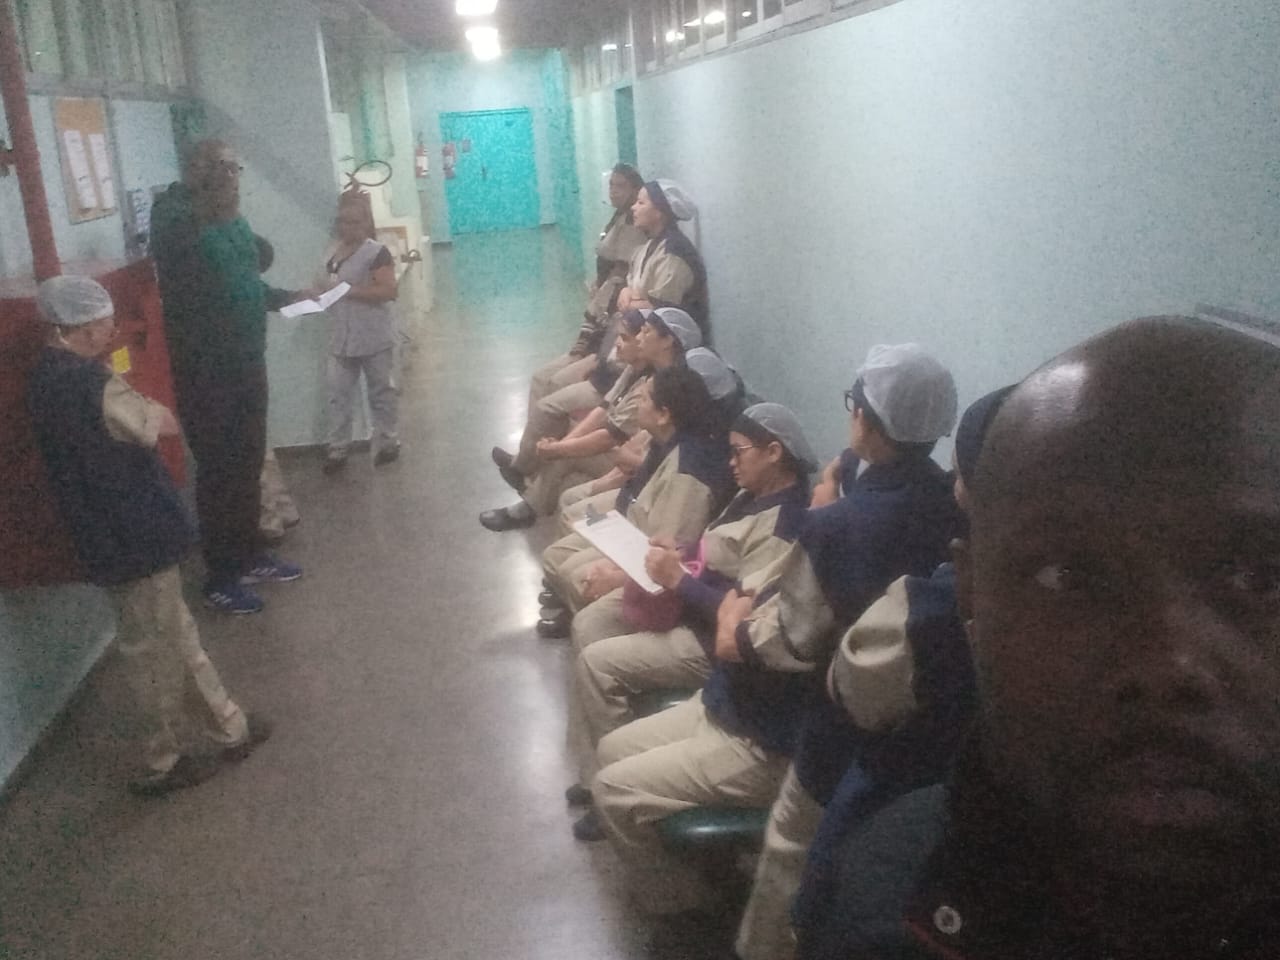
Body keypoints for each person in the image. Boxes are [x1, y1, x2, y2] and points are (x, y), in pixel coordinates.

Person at [815, 317, 1280, 960]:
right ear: (971, 597)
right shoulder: (888, 907)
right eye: (1065, 576)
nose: (1165, 664)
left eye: (1260, 578)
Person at [588, 344, 961, 918]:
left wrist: (733, 610)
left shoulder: (834, 526)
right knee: (611, 750)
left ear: (865, 419)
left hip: (776, 730)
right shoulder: (942, 505)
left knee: (613, 788)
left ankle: (684, 911)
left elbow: (747, 642)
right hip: (758, 704)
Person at [739, 388, 1010, 960]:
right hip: (970, 797)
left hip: (861, 769)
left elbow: (843, 679)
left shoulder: (927, 598)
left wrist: (819, 517)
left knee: (794, 858)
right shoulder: (941, 509)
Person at [24, 276, 271, 796]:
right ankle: (162, 761)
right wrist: (151, 407)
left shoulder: (42, 377)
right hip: (134, 532)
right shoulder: (91, 382)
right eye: (105, 323)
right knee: (152, 651)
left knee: (176, 634)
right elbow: (159, 424)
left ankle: (230, 726)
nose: (112, 330)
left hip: (104, 530)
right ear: (83, 329)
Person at [566, 402, 817, 841]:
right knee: (592, 639)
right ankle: (622, 780)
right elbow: (719, 561)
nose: (731, 462)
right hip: (702, 634)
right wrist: (682, 552)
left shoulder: (784, 528)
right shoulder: (750, 496)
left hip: (708, 643)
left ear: (774, 452)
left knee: (598, 664)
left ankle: (626, 801)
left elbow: (744, 622)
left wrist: (680, 581)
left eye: (739, 452)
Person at [149, 138, 304, 614]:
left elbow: (247, 283)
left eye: (235, 169)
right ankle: (221, 575)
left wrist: (293, 299)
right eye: (224, 168)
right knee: (220, 470)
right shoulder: (174, 217)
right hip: (206, 370)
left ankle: (250, 554)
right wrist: (209, 197)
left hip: (246, 361)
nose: (233, 178)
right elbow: (183, 257)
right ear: (199, 169)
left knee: (248, 462)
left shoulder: (233, 219)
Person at [490, 177, 708, 491]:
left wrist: (634, 300)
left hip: (630, 362)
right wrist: (633, 300)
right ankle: (532, 464)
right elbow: (628, 298)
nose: (634, 207)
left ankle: (532, 467)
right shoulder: (648, 247)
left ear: (660, 212)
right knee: (546, 382)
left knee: (552, 398)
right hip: (618, 355)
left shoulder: (674, 255)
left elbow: (659, 312)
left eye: (641, 202)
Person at [538, 361, 736, 636]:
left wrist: (615, 576)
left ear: (664, 414)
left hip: (647, 557)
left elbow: (670, 553)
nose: (637, 406)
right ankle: (578, 613)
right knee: (556, 557)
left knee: (579, 585)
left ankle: (592, 628)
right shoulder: (666, 439)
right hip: (633, 528)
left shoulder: (688, 474)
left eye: (643, 399)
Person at [480, 307, 703, 532]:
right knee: (568, 459)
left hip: (634, 460)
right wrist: (563, 443)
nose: (639, 338)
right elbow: (603, 409)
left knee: (565, 458)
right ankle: (534, 491)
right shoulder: (640, 368)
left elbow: (611, 437)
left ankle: (528, 506)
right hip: (629, 452)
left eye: (646, 332)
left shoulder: (664, 387)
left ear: (667, 342)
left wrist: (561, 449)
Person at [321, 191, 401, 473]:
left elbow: (389, 291)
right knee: (338, 394)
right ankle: (337, 449)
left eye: (355, 222)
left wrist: (348, 291)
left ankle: (389, 442)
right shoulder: (332, 251)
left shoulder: (376, 252)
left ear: (366, 223)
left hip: (373, 335)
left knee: (381, 391)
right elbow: (324, 284)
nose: (348, 228)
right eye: (343, 222)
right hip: (341, 336)